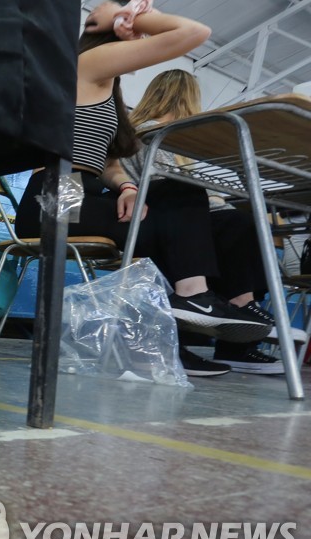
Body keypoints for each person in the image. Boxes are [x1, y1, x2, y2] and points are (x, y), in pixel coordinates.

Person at [15, 0, 271, 378]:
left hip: (85, 189)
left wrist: (127, 188)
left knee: (199, 221)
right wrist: (131, 17)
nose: (141, 40)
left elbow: (109, 163)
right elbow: (194, 33)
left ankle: (173, 334)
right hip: (54, 193)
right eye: (136, 31)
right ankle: (192, 301)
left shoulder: (107, 87)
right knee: (179, 200)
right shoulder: (90, 63)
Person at [123, 70, 289, 375]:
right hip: (151, 217)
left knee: (238, 224)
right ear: (188, 99)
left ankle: (238, 317)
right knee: (232, 222)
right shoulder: (152, 132)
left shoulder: (160, 134)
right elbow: (167, 183)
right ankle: (234, 314)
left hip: (167, 216)